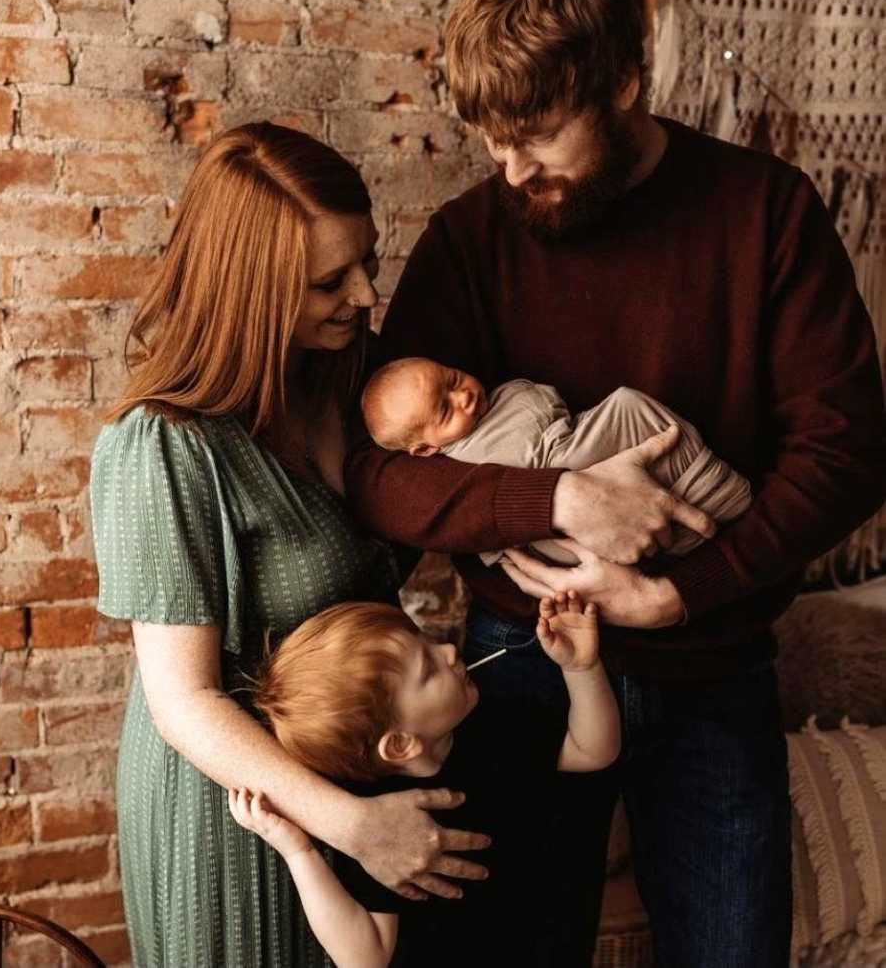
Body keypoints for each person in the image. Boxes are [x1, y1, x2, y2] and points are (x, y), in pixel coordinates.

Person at [345, 0, 886, 967]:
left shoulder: (766, 212)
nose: (509, 170)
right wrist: (558, 501)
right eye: (490, 139)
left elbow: (848, 452)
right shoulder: (473, 236)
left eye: (538, 135)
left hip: (713, 670)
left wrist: (685, 591)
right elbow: (381, 475)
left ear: (628, 84)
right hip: (513, 671)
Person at [89, 122, 490, 967]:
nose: (366, 296)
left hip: (368, 786)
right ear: (251, 289)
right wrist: (352, 825)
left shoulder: (360, 383)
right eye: (328, 281)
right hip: (244, 814)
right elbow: (184, 703)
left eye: (368, 263)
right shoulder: (162, 447)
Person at [228, 592, 619, 967]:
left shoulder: (495, 726)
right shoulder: (382, 818)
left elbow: (592, 751)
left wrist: (581, 667)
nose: (449, 651)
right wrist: (300, 853)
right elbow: (364, 958)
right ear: (399, 745)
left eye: (426, 641)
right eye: (429, 670)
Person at [361, 357, 751, 563]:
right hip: (555, 507)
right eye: (445, 411)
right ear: (426, 449)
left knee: (638, 418)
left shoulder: (503, 396)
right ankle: (709, 496)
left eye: (453, 379)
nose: (462, 396)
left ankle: (703, 490)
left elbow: (556, 410)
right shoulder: (457, 467)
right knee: (627, 408)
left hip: (575, 450)